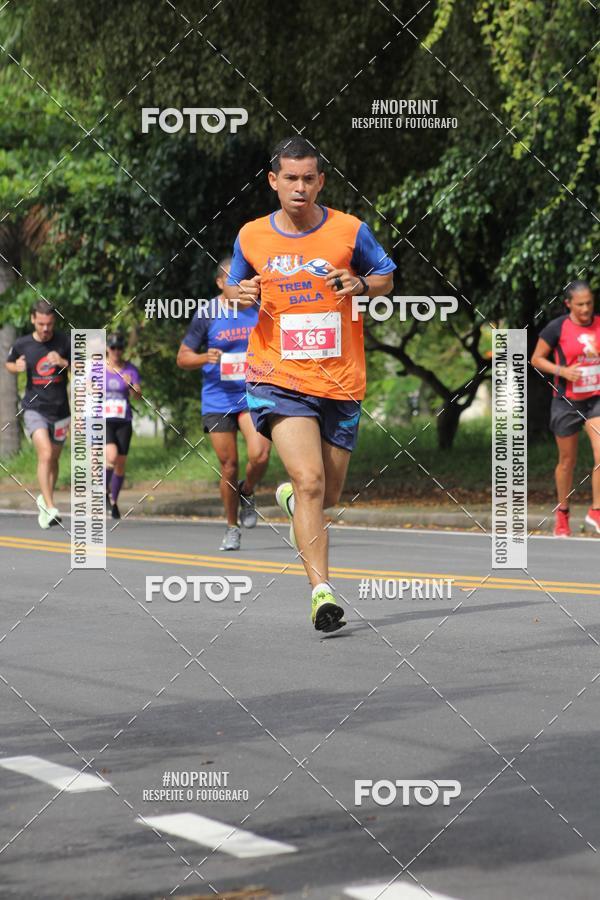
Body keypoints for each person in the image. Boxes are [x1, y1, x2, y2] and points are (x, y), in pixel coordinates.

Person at [227, 136, 395, 631]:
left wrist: (361, 283)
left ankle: (291, 500)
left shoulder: (350, 230)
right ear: (273, 181)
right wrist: (241, 293)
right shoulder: (252, 235)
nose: (299, 188)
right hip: (277, 376)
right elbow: (234, 288)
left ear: (320, 182)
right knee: (311, 481)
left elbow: (386, 277)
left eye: (308, 179)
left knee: (328, 494)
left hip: (340, 380)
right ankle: (321, 593)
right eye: (290, 179)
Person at [176, 258, 271, 551]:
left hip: (252, 393)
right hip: (218, 398)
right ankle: (232, 528)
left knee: (260, 454)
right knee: (229, 466)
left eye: (244, 279)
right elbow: (182, 357)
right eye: (233, 280)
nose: (240, 285)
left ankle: (247, 491)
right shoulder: (207, 314)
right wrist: (205, 357)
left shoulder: (260, 308)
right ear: (219, 283)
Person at [531, 280, 600, 536]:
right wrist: (562, 371)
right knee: (567, 461)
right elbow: (536, 359)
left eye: (589, 303)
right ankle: (563, 513)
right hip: (567, 400)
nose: (586, 309)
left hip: (596, 399)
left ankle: (596, 512)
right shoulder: (557, 327)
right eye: (580, 304)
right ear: (568, 304)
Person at [5, 299, 71, 529]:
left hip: (61, 410)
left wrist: (62, 362)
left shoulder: (64, 341)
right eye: (41, 324)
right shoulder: (22, 344)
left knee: (54, 458)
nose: (45, 329)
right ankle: (50, 507)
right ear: (33, 319)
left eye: (49, 324)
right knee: (45, 454)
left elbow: (82, 367)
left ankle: (45, 499)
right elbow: (9, 363)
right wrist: (16, 367)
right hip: (34, 409)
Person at [102, 332, 142, 520]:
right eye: (113, 348)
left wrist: (132, 386)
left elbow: (138, 395)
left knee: (120, 464)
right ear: (107, 349)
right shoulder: (99, 369)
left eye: (120, 348)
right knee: (111, 456)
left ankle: (114, 501)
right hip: (105, 420)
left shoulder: (131, 370)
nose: (116, 351)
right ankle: (103, 491)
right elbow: (86, 389)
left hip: (124, 420)